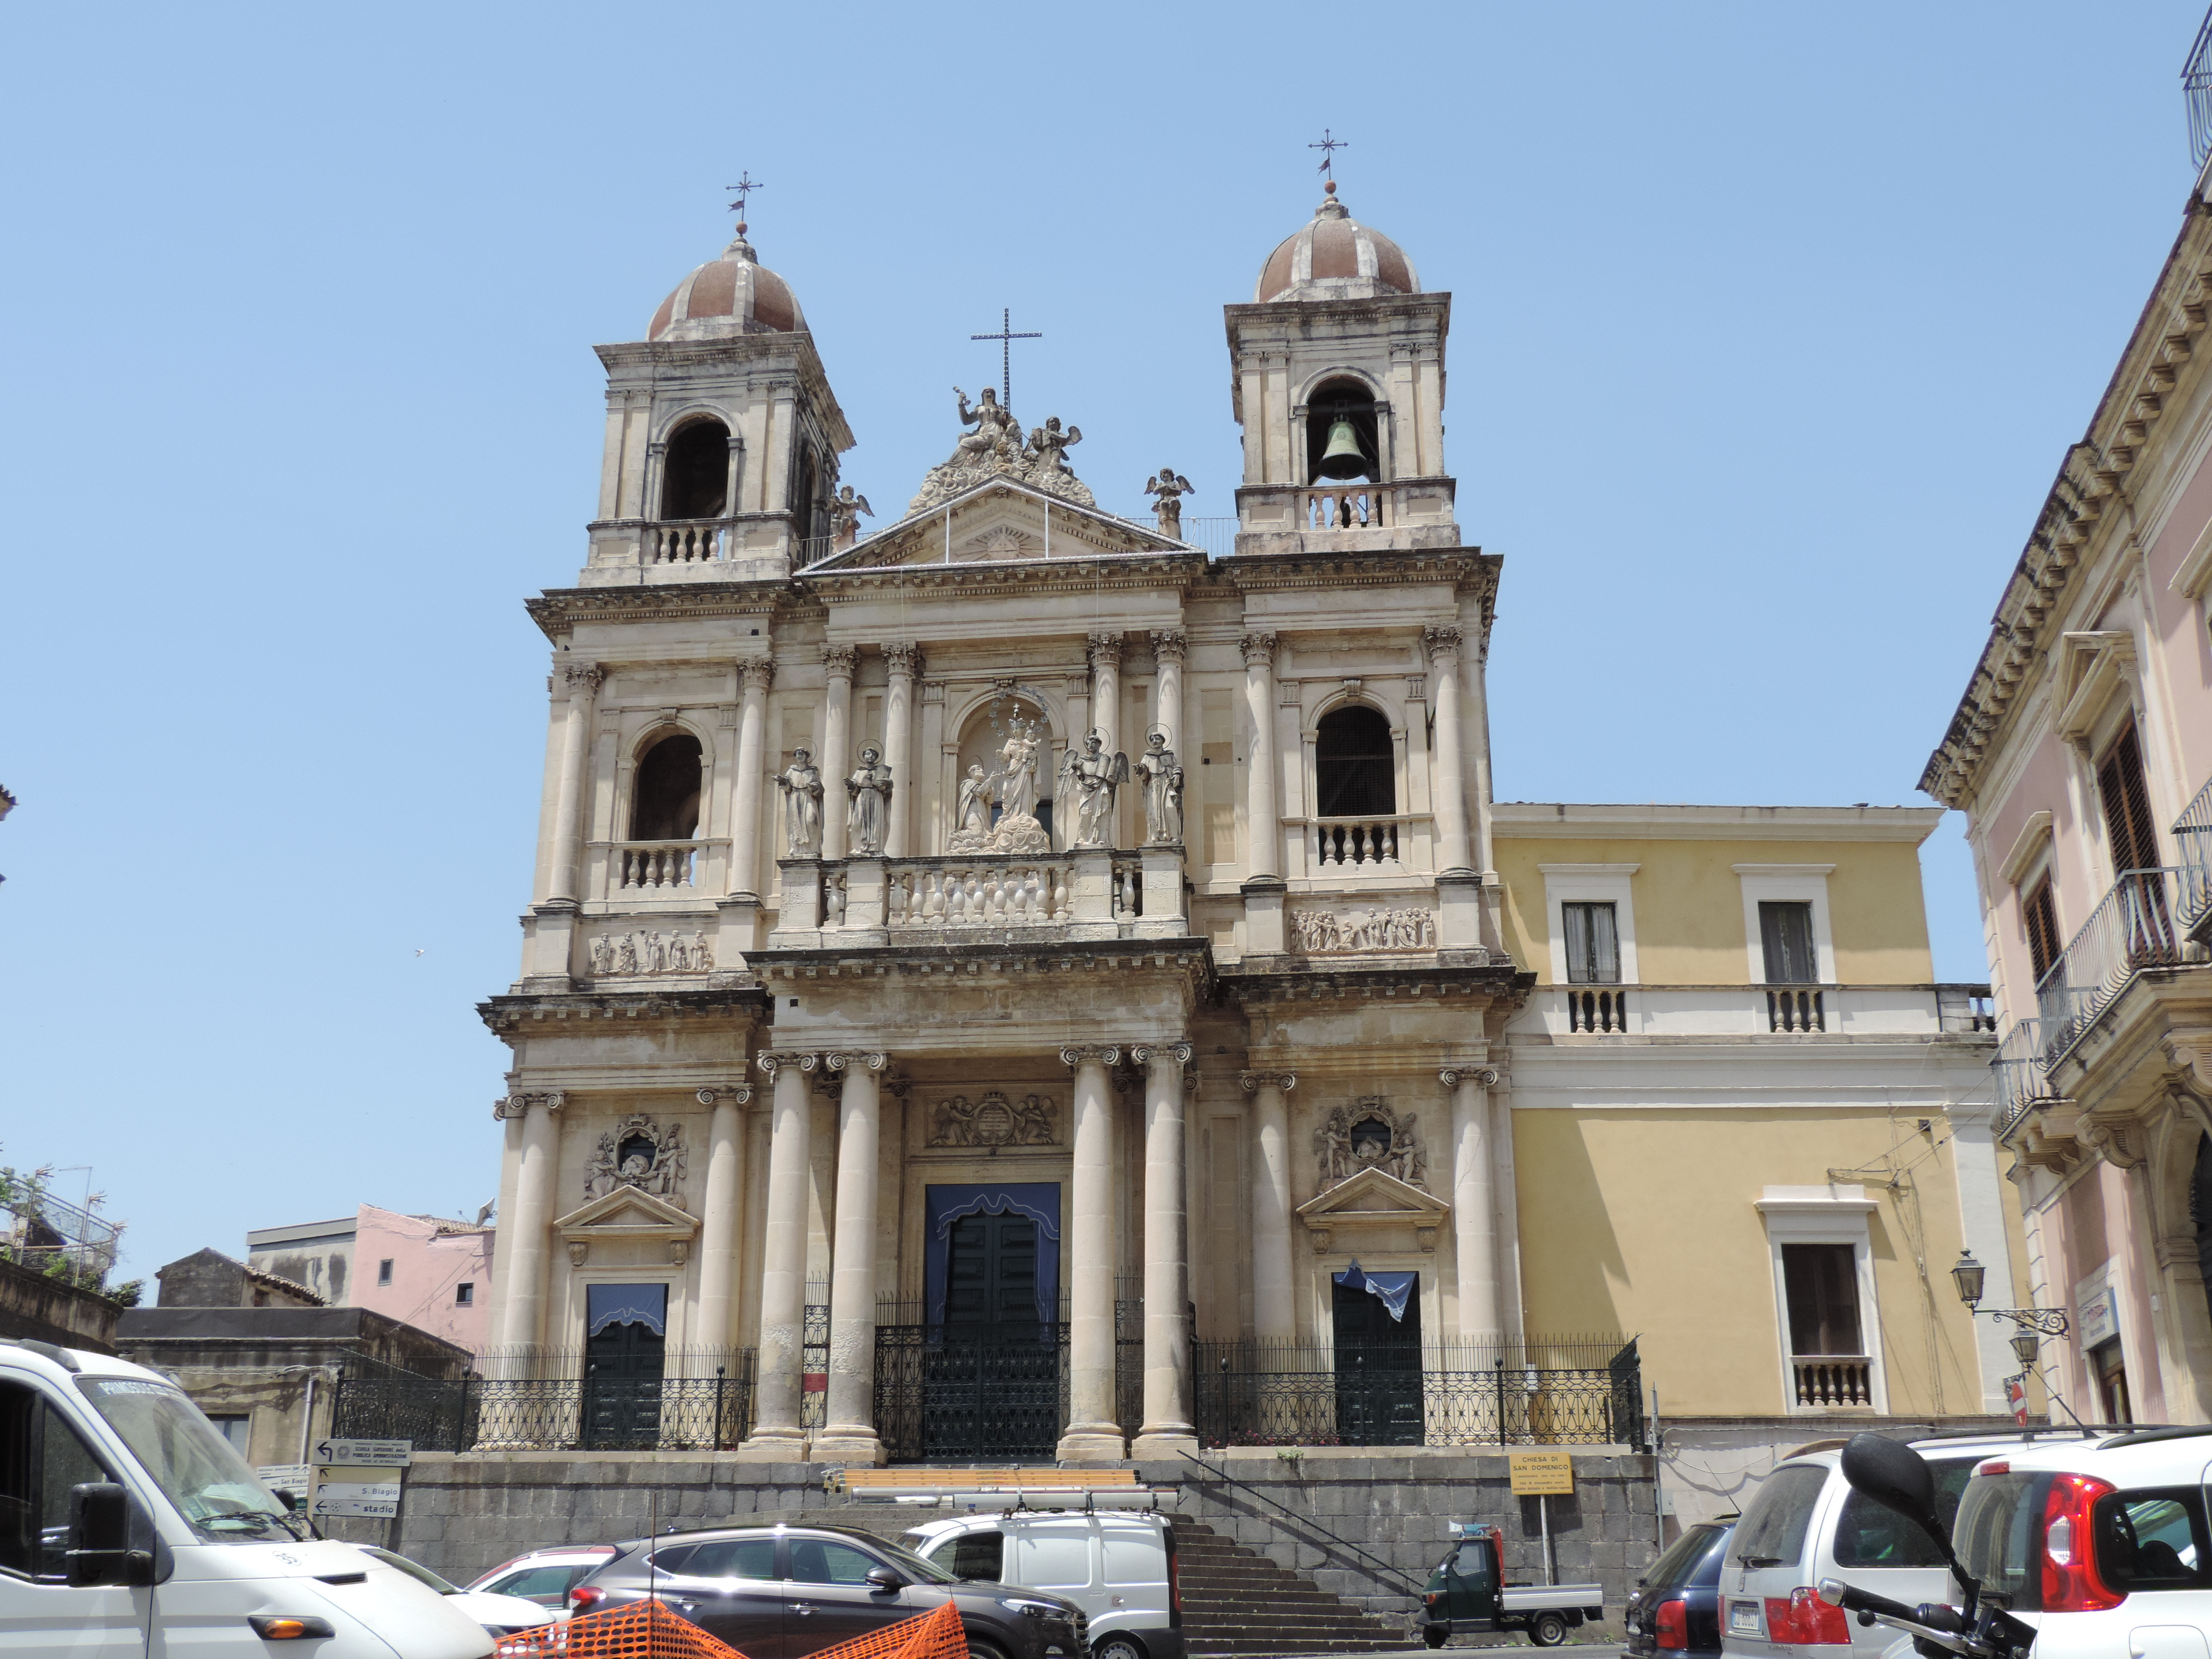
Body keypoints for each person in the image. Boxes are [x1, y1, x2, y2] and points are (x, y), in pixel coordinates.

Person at [1135, 729, 1183, 844]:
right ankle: (1155, 836)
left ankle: (1173, 835)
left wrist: (1176, 774)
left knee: (1170, 808)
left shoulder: (1170, 755)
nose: (1155, 741)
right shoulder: (1148, 756)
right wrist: (1140, 769)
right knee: (1153, 810)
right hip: (1154, 785)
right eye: (1153, 740)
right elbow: (1144, 774)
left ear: (1162, 741)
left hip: (1167, 785)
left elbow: (1177, 767)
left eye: (1157, 739)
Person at [775, 746, 824, 856]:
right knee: (795, 824)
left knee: (811, 821)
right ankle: (797, 849)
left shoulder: (813, 771)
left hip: (808, 798)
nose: (799, 756)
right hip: (795, 798)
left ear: (806, 756)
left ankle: (813, 849)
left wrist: (815, 786)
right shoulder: (792, 771)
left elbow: (820, 788)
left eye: (801, 754)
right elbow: (788, 786)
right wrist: (782, 780)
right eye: (797, 755)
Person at [845, 745, 893, 855]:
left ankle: (874, 847)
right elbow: (855, 790)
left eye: (872, 754)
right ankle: (860, 846)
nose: (870, 756)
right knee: (859, 821)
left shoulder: (880, 771)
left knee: (876, 822)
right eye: (867, 754)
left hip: (876, 797)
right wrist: (850, 784)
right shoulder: (860, 771)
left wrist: (888, 783)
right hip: (862, 797)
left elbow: (887, 790)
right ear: (864, 756)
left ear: (876, 757)